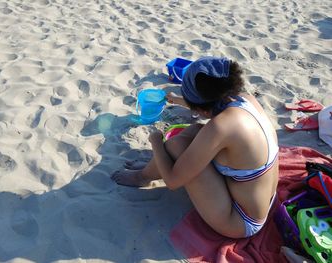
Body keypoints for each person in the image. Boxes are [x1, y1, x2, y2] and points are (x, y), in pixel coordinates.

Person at [111, 56, 279, 238]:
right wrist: (177, 100)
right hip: (263, 199)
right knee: (196, 129)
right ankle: (149, 169)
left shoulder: (221, 126)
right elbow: (210, 107)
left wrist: (156, 142)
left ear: (203, 109)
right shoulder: (245, 99)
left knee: (175, 146)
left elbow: (173, 182)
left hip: (240, 221)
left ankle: (142, 177)